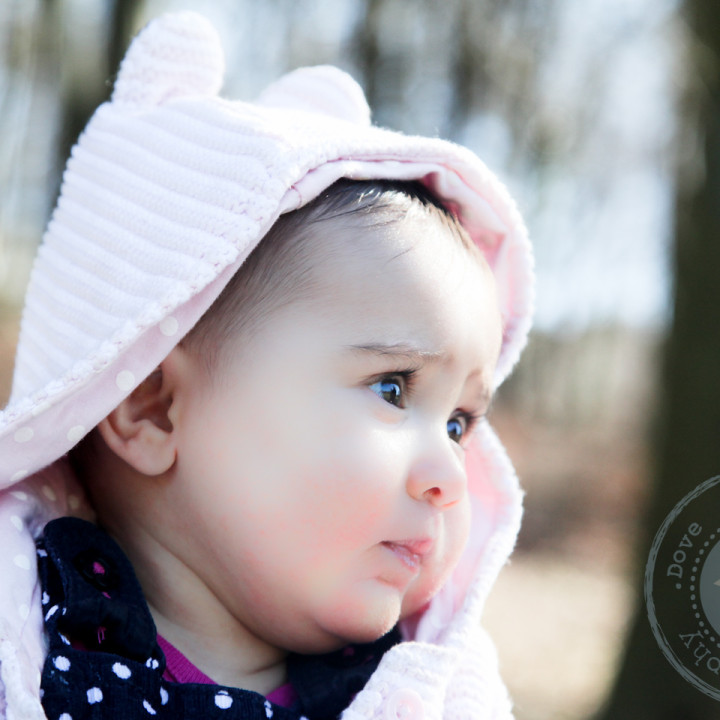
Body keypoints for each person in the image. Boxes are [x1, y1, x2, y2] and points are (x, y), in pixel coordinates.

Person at [0, 11, 533, 720]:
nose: (449, 478)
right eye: (393, 387)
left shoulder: (431, 692)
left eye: (461, 423)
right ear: (153, 407)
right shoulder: (25, 651)